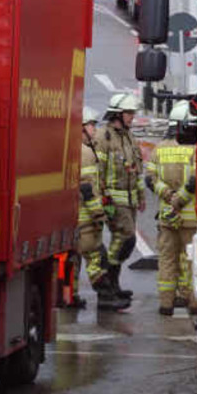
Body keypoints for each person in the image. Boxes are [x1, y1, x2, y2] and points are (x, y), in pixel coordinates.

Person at [145, 100, 197, 316]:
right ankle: (191, 301)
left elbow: (150, 179)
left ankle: (166, 304)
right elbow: (196, 181)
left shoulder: (158, 150)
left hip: (166, 217)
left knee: (166, 261)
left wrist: (167, 195)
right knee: (191, 261)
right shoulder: (195, 148)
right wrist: (180, 199)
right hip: (191, 218)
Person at [75, 107, 129, 311]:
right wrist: (100, 214)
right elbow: (87, 189)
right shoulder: (86, 153)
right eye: (90, 125)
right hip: (86, 219)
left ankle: (70, 298)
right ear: (80, 128)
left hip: (76, 219)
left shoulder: (75, 149)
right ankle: (106, 298)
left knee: (75, 260)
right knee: (97, 259)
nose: (94, 130)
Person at [97, 92, 144, 303]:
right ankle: (107, 282)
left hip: (130, 200)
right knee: (126, 238)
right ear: (117, 114)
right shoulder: (103, 137)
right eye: (129, 113)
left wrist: (141, 196)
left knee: (124, 240)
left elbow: (136, 169)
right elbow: (98, 170)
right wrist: (102, 197)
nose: (132, 117)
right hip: (114, 201)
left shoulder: (128, 137)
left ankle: (113, 284)